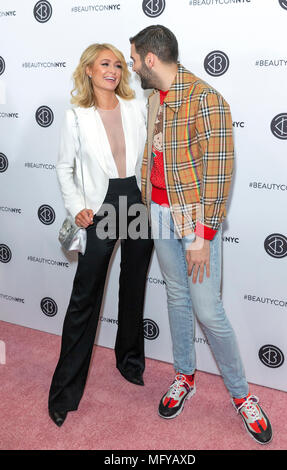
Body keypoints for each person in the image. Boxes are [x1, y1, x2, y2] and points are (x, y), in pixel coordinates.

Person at [129, 26, 272, 445]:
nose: (133, 65)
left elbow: (219, 172)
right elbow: (155, 155)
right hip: (157, 211)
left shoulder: (206, 99)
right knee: (175, 296)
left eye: (134, 58)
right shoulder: (155, 95)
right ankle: (184, 375)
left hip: (192, 219)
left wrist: (202, 235)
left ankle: (242, 395)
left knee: (208, 311)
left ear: (151, 59)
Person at [48, 43, 153, 427]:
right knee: (85, 297)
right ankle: (64, 392)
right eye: (105, 63)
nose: (113, 70)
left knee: (133, 285)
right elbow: (64, 167)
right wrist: (77, 207)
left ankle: (129, 362)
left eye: (119, 64)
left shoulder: (135, 107)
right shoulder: (77, 114)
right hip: (103, 206)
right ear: (89, 70)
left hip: (136, 201)